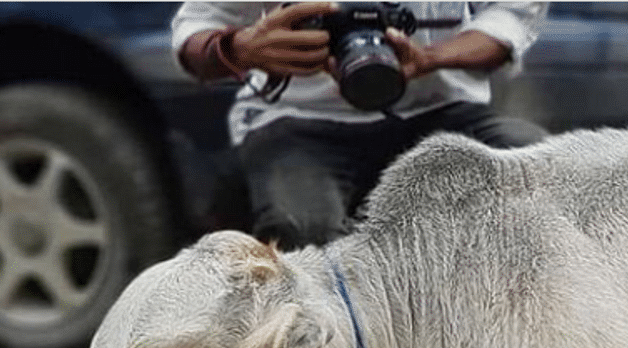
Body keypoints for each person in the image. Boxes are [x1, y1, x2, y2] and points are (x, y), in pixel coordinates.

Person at [172, 2, 548, 250]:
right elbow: (197, 28)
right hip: (298, 118)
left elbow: (511, 13)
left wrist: (430, 58)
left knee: (544, 175)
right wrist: (237, 49)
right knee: (303, 230)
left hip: (439, 106)